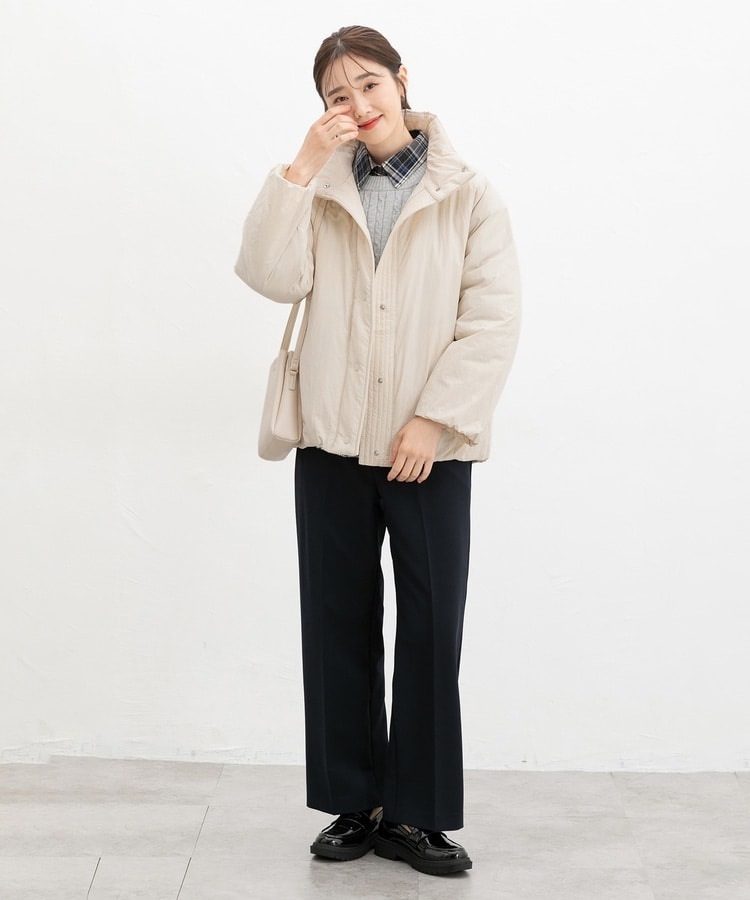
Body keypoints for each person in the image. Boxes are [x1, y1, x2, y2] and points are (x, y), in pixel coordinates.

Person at [234, 25, 521, 877]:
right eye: (336, 95)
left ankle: (418, 815)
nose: (356, 105)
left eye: (367, 85)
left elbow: (493, 320)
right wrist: (299, 166)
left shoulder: (469, 193)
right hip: (331, 439)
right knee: (337, 622)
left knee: (431, 628)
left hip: (429, 448)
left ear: (402, 80)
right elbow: (269, 276)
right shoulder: (320, 187)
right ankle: (354, 803)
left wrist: (435, 419)